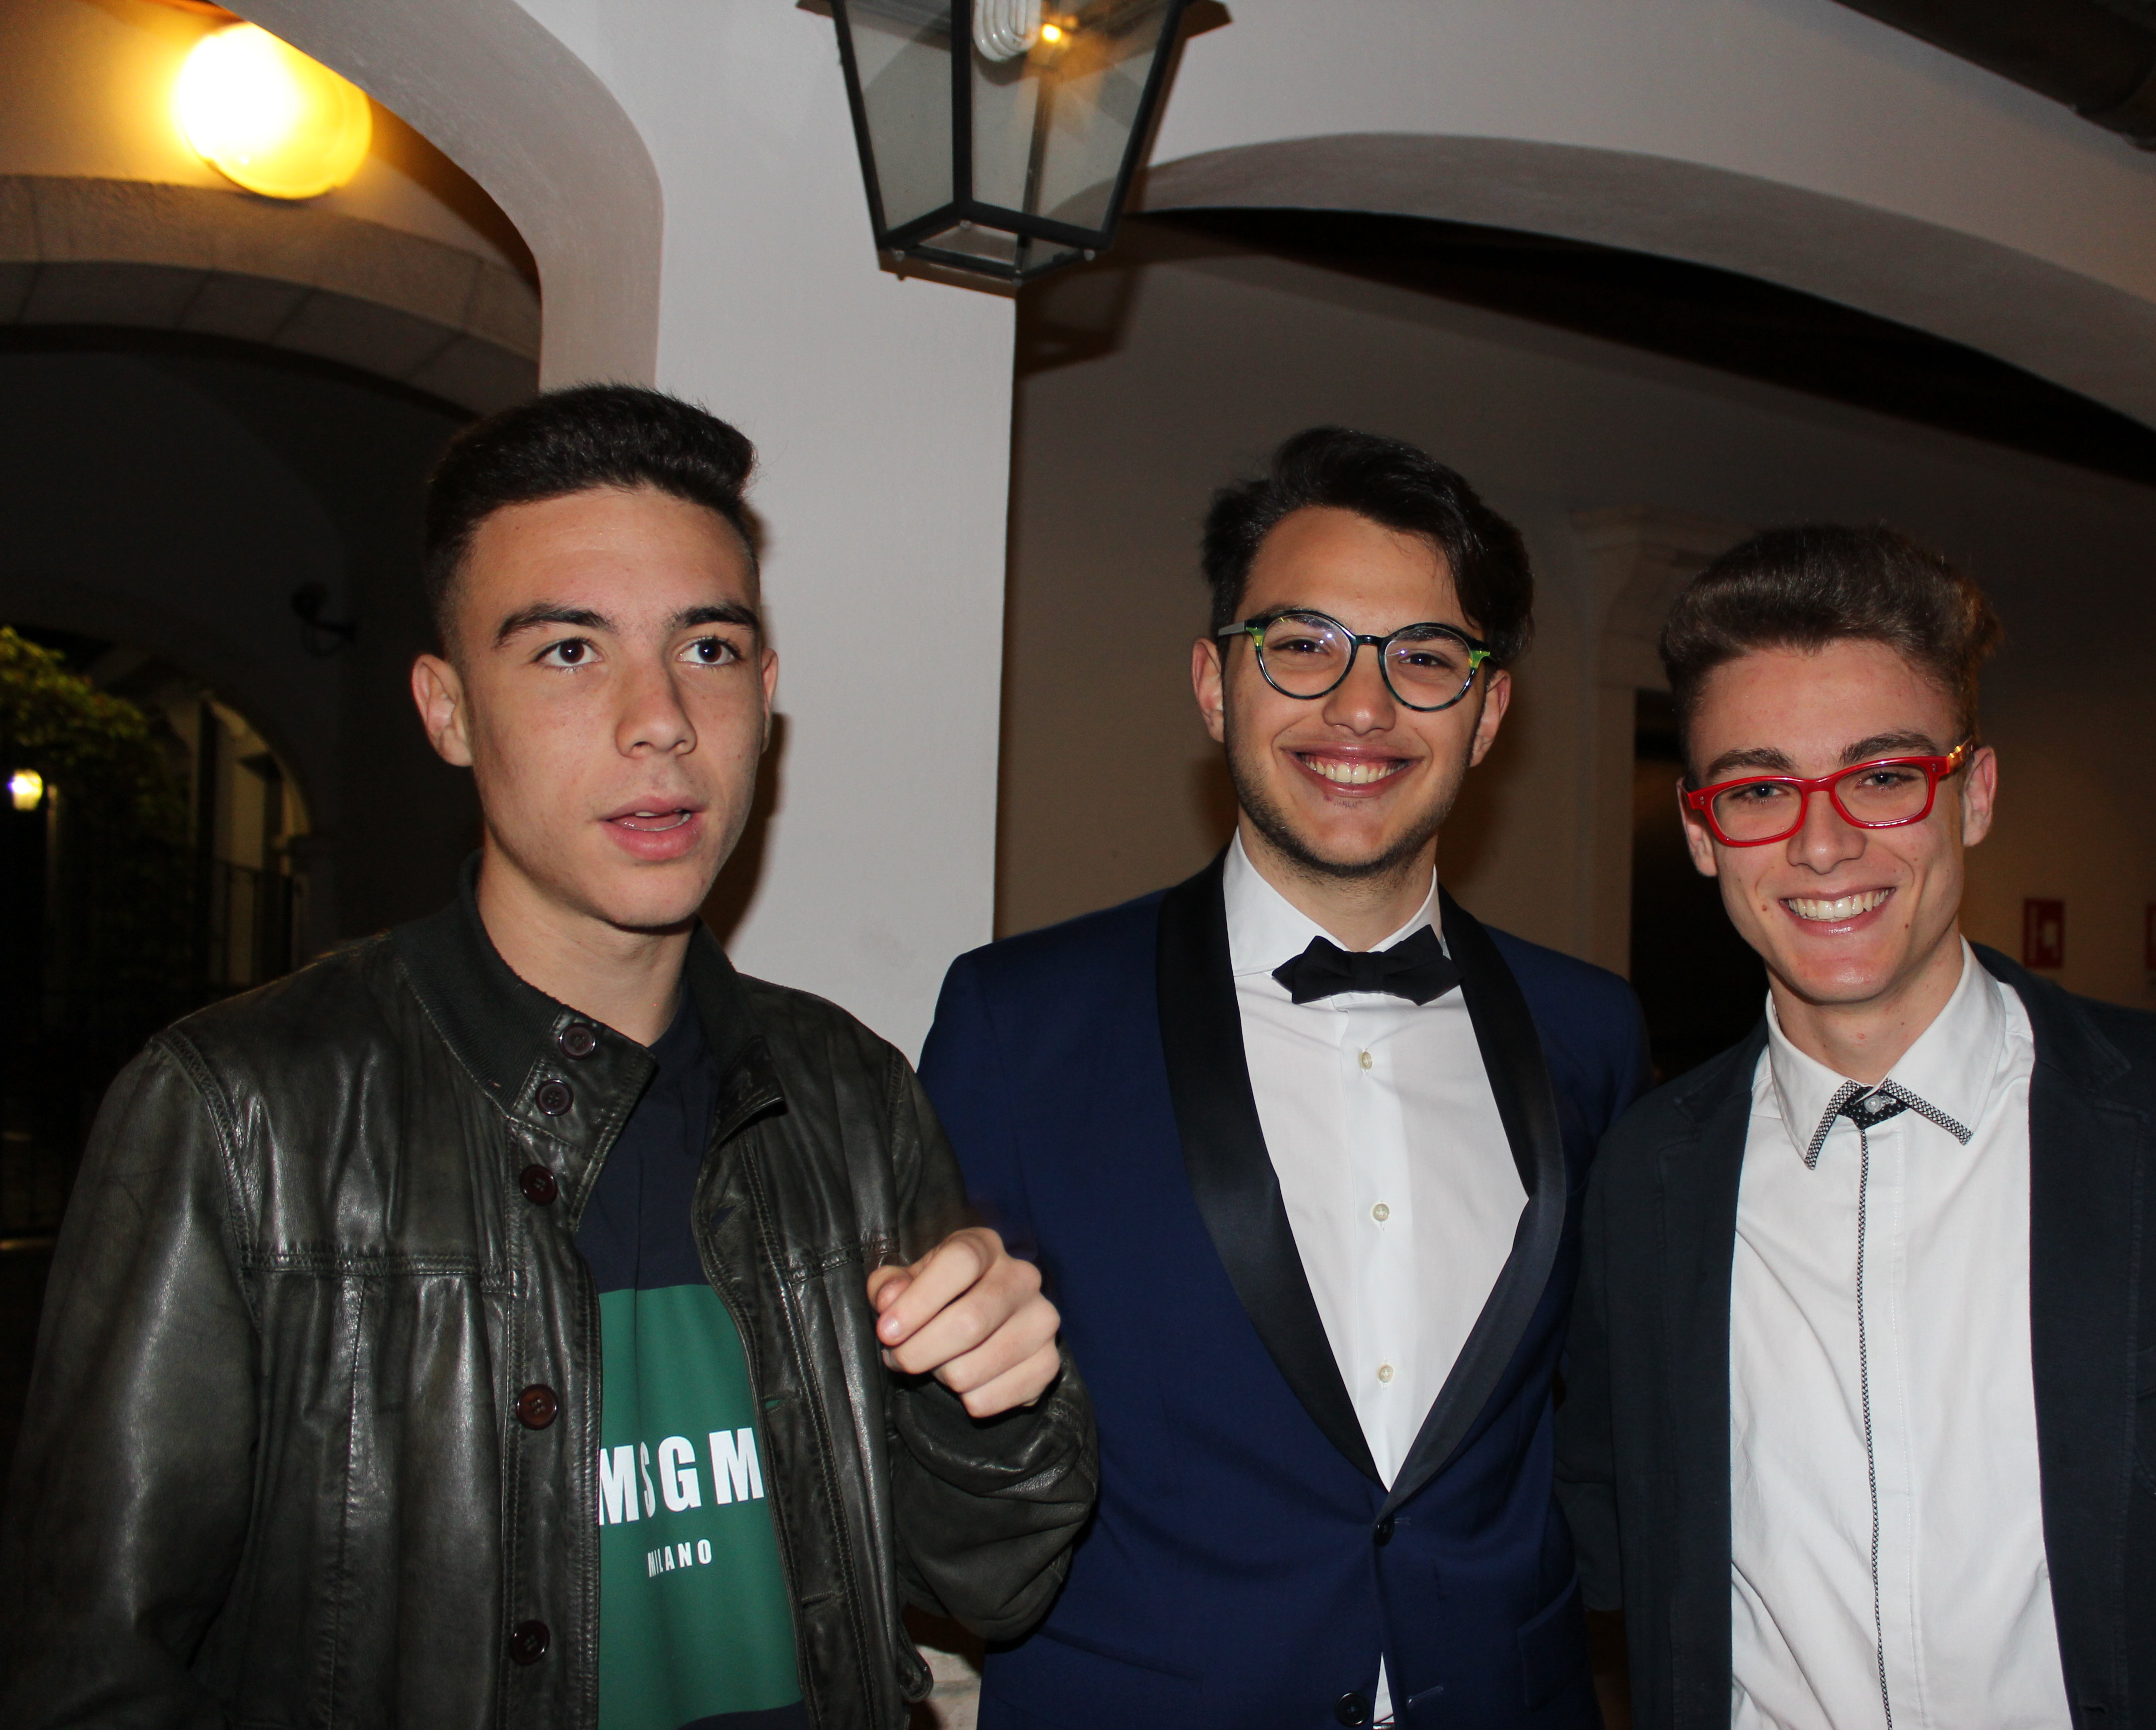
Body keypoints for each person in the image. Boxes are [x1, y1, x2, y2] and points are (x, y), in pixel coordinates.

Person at [0, 385, 1096, 1730]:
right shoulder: (240, 1115)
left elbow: (991, 1582)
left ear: (765, 696)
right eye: (570, 651)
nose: (660, 719)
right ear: (449, 711)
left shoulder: (849, 1091)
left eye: (707, 647)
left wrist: (998, 1398)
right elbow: (89, 1676)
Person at [1555, 524, 2156, 1728]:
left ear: (1971, 794)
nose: (1822, 844)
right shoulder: (1648, 1177)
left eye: (1882, 776)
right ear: (1705, 831)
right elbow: (1594, 1542)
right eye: (1760, 790)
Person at [919, 426, 1647, 1728]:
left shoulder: (1592, 1033)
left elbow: (1614, 1412)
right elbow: (933, 1452)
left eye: (1426, 657)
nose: (1361, 707)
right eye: (1303, 645)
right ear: (1216, 684)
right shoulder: (1018, 1023)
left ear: (1489, 713)